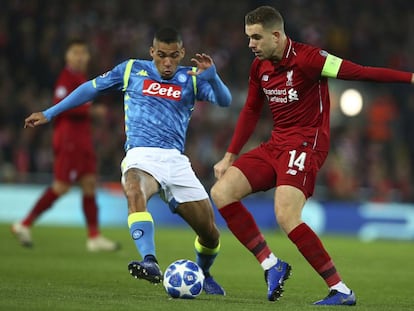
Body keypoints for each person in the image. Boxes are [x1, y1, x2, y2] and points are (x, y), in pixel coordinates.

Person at [211, 5, 414, 306]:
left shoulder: (311, 59)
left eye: (256, 37)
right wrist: (229, 156)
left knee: (286, 215)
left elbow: (360, 72)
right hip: (276, 144)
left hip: (307, 144)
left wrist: (410, 78)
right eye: (248, 37)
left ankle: (340, 289)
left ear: (276, 35)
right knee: (221, 192)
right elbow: (252, 109)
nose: (250, 44)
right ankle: (271, 265)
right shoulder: (260, 68)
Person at [24, 27, 231, 295]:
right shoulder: (131, 69)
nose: (166, 62)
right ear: (152, 52)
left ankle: (203, 273)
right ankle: (150, 261)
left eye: (173, 56)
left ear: (181, 54)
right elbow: (90, 89)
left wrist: (213, 78)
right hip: (141, 153)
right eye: (161, 55)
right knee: (134, 189)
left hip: (176, 161)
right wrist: (50, 113)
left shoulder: (190, 78)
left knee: (210, 233)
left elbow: (224, 100)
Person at [12, 39, 119, 252]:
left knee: (89, 184)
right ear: (67, 57)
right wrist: (92, 111)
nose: (80, 57)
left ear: (88, 57)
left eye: (83, 53)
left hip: (83, 140)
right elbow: (63, 107)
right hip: (69, 140)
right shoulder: (66, 78)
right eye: (75, 53)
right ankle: (24, 224)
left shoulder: (80, 79)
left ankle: (94, 236)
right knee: (61, 187)